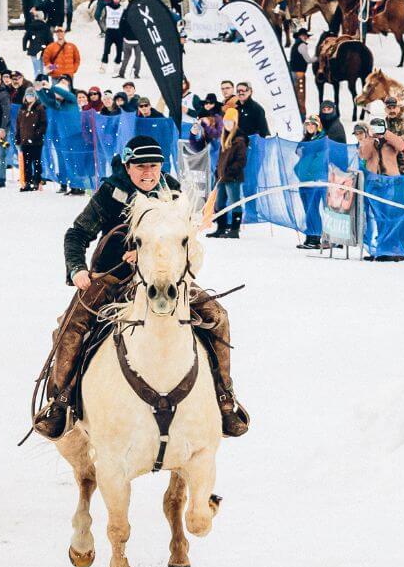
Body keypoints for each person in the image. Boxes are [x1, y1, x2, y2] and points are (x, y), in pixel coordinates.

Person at [33, 135, 250, 440]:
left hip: (165, 277)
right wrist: (77, 269)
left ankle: (224, 398)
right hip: (112, 275)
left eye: (154, 166)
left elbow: (184, 238)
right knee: (71, 327)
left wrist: (154, 252)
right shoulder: (111, 191)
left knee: (218, 316)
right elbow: (77, 233)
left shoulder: (173, 191)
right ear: (128, 165)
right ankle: (61, 402)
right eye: (141, 166)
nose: (148, 173)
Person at [360, 117, 404, 262]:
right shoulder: (370, 140)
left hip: (391, 182)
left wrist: (385, 133)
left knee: (393, 216)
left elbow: (401, 146)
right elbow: (364, 154)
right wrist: (370, 138)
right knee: (379, 217)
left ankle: (395, 250)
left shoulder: (391, 139)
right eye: (374, 127)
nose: (377, 130)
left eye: (379, 127)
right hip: (375, 182)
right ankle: (382, 248)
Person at [209, 109, 249, 239]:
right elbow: (221, 159)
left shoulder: (239, 140)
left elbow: (241, 161)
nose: (227, 124)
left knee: (234, 202)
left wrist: (229, 172)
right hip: (221, 177)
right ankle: (221, 228)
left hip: (232, 178)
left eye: (230, 122)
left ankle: (235, 229)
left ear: (235, 123)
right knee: (219, 203)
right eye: (225, 121)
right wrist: (218, 171)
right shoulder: (224, 138)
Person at [295, 114, 326, 250]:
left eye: (313, 124)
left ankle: (316, 236)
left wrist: (310, 174)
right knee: (307, 209)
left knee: (312, 208)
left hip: (314, 181)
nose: (310, 127)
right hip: (304, 181)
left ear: (318, 126)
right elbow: (300, 154)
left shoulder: (322, 141)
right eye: (308, 124)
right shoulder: (306, 139)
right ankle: (310, 235)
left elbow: (320, 161)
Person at [17, 87, 47, 191]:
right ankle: (27, 182)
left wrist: (37, 135)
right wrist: (18, 138)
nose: (30, 97)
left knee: (36, 162)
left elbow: (43, 124)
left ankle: (37, 181)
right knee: (26, 163)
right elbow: (18, 124)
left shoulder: (39, 108)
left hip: (36, 141)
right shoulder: (22, 109)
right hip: (25, 140)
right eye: (28, 95)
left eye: (32, 95)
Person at [382, 96, 404, 174]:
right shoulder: (384, 124)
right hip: (388, 165)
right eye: (389, 108)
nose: (392, 110)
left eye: (394, 107)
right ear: (385, 109)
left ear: (398, 108)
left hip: (402, 168)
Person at [289, 28, 315, 114]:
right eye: (304, 36)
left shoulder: (295, 45)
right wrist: (317, 58)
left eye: (306, 36)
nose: (306, 37)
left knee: (295, 93)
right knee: (300, 95)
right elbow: (308, 60)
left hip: (293, 71)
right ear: (300, 36)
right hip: (299, 73)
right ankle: (302, 113)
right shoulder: (302, 45)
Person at [24, 9, 52, 76]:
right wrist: (51, 49)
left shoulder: (31, 26)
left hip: (33, 51)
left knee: (36, 70)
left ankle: (37, 82)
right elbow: (50, 39)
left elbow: (25, 38)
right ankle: (43, 82)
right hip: (44, 51)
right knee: (44, 69)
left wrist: (24, 47)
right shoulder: (46, 27)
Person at [100, 0, 124, 72]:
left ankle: (117, 66)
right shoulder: (107, 7)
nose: (116, 0)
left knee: (119, 50)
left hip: (119, 32)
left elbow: (124, 20)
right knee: (106, 49)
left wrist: (123, 30)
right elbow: (102, 19)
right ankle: (103, 66)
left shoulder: (122, 9)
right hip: (109, 31)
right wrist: (105, 29)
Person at [116, 10, 142, 79]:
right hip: (138, 40)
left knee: (126, 57)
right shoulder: (141, 11)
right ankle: (136, 74)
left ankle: (122, 73)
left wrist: (123, 36)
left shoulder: (126, 12)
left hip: (127, 39)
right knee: (138, 57)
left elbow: (121, 25)